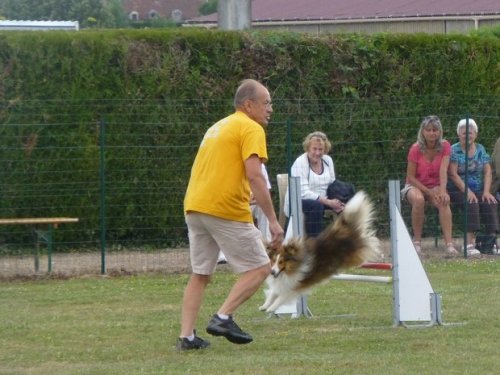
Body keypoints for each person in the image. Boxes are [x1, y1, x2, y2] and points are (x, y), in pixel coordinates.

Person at [177, 79, 284, 351]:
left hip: (195, 206)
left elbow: (222, 171)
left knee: (201, 273)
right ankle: (223, 317)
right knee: (260, 267)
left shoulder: (218, 126)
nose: (270, 108)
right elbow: (255, 176)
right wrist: (273, 221)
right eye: (267, 102)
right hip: (223, 209)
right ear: (249, 105)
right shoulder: (251, 128)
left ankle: (187, 337)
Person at [401, 115, 457, 255]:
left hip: (435, 185)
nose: (432, 133)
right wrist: (428, 191)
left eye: (435, 130)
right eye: (428, 130)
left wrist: (443, 190)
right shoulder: (415, 148)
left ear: (440, 131)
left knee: (444, 201)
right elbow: (410, 177)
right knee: (419, 200)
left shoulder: (445, 146)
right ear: (423, 131)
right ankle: (417, 242)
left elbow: (444, 170)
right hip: (415, 185)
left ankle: (449, 244)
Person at [448, 119, 498, 255]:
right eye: (464, 133)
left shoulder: (480, 149)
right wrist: (467, 191)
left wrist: (487, 192)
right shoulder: (453, 150)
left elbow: (488, 171)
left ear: (475, 134)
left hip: (477, 189)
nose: (467, 136)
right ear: (459, 134)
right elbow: (452, 174)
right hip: (457, 189)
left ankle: (492, 241)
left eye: (470, 133)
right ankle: (469, 243)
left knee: (490, 201)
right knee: (472, 202)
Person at [284, 131, 344, 238]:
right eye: (314, 149)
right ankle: (313, 242)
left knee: (347, 197)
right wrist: (328, 202)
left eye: (320, 149)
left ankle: (344, 242)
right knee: (316, 206)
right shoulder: (300, 162)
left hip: (324, 198)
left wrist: (337, 199)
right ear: (308, 148)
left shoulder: (328, 160)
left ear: (325, 149)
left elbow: (332, 184)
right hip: (299, 200)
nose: (317, 153)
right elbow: (303, 193)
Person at [218, 164, 272, 264]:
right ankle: (223, 253)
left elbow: (266, 191)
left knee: (264, 208)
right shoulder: (229, 166)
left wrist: (255, 198)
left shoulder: (260, 166)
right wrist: (245, 199)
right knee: (221, 211)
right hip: (233, 205)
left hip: (251, 204)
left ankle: (266, 246)